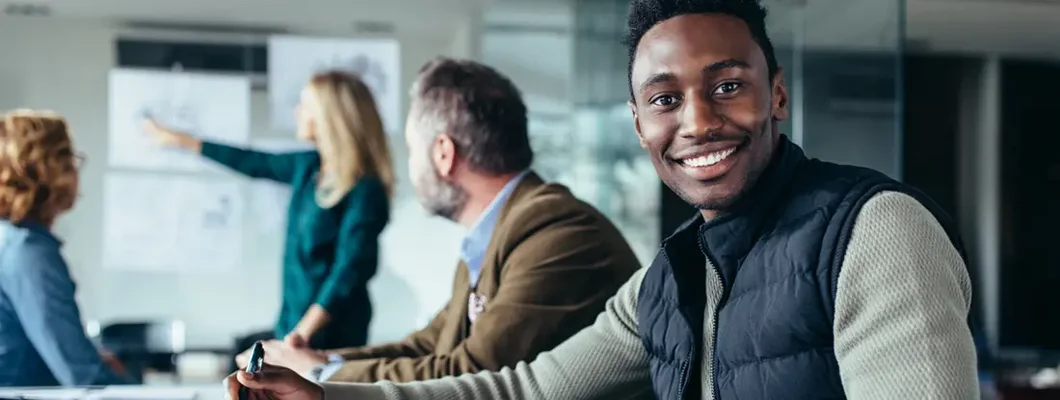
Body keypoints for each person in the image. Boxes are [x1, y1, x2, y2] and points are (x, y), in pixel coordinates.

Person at [223, 0, 980, 399]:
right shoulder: (671, 275)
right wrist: (326, 398)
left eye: (727, 86)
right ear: (640, 125)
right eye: (663, 99)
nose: (698, 122)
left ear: (776, 94)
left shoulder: (876, 232)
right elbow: (524, 388)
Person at [232, 57, 642, 384]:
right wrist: (320, 360)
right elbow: (431, 344)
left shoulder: (558, 236)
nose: (409, 167)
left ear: (443, 155)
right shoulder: (498, 232)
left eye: (413, 150)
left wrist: (320, 373)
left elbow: (472, 371)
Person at [144, 70, 395, 354]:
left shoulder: (365, 191)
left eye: (305, 105)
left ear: (329, 116)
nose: (297, 112)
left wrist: (303, 332)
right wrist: (181, 141)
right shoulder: (309, 168)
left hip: (332, 336)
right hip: (291, 325)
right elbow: (252, 162)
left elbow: (348, 272)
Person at [0, 109, 133, 386]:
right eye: (68, 157)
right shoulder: (29, 252)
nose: (75, 168)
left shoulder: (11, 240)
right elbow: (83, 377)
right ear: (47, 169)